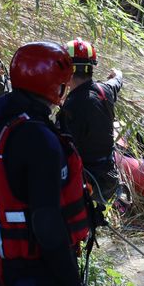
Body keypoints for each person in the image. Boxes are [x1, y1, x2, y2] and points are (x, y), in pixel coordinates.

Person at [0, 41, 93, 286]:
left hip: (9, 266)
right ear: (56, 87)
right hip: (41, 272)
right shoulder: (38, 140)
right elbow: (46, 223)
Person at [58, 38, 123, 204]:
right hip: (109, 178)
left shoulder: (71, 107)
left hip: (89, 183)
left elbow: (61, 152)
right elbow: (117, 81)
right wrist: (118, 74)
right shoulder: (105, 90)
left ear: (68, 70)